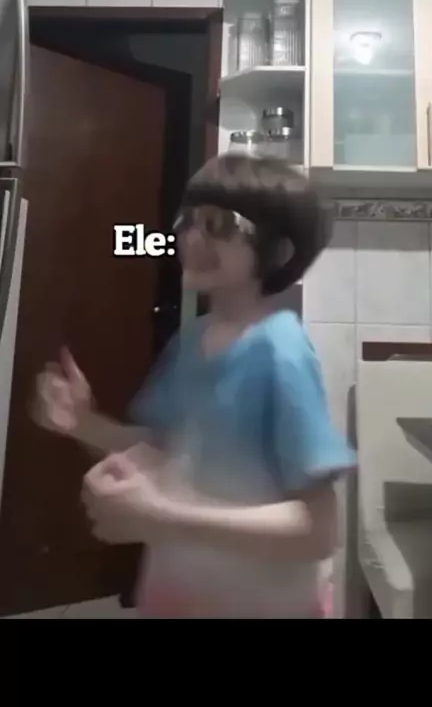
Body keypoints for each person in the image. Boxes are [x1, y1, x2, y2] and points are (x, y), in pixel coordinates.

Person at [34, 154, 356, 619]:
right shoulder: (191, 340)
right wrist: (82, 423)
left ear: (278, 252)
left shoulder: (280, 349)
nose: (190, 236)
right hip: (177, 596)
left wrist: (160, 518)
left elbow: (319, 530)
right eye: (187, 221)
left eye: (218, 224)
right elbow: (163, 448)